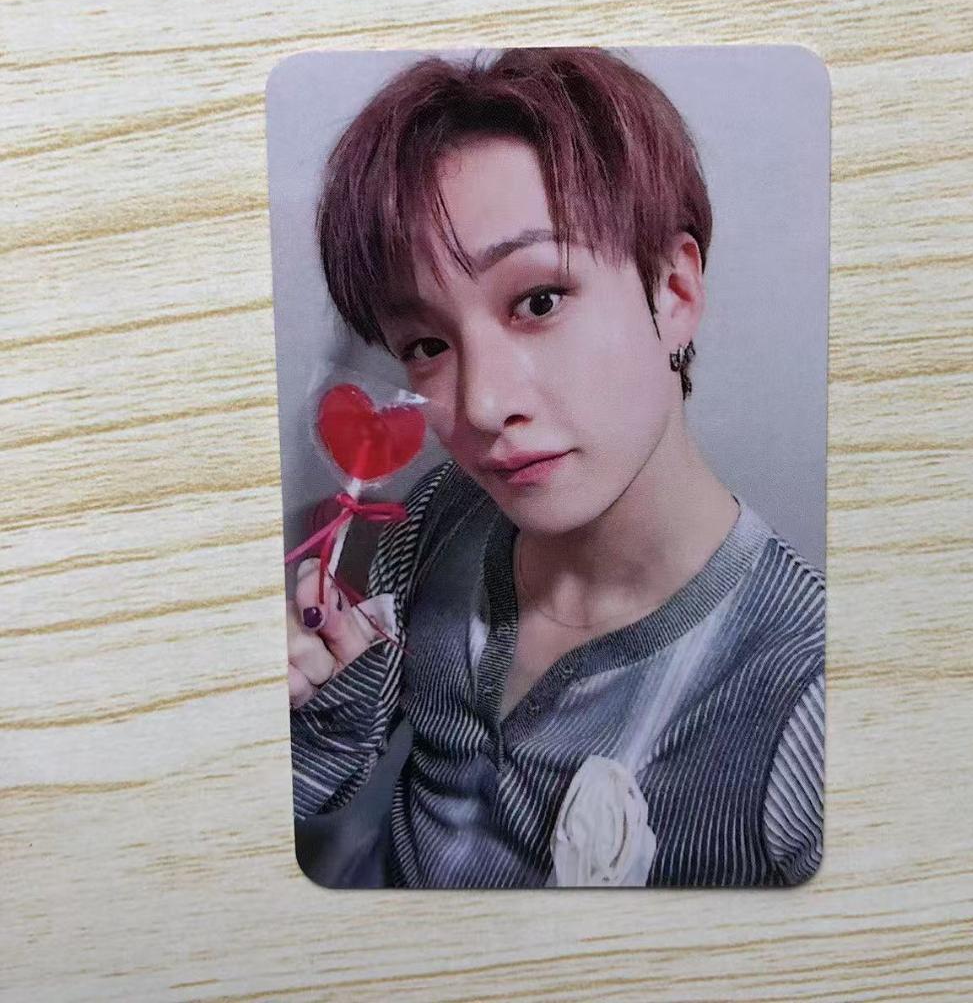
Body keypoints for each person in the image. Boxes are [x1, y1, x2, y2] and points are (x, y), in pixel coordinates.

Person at [286, 47, 824, 887]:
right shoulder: (441, 516)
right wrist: (312, 702)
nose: (480, 406)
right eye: (426, 344)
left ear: (674, 292)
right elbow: (308, 795)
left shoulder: (801, 704)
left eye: (538, 301)